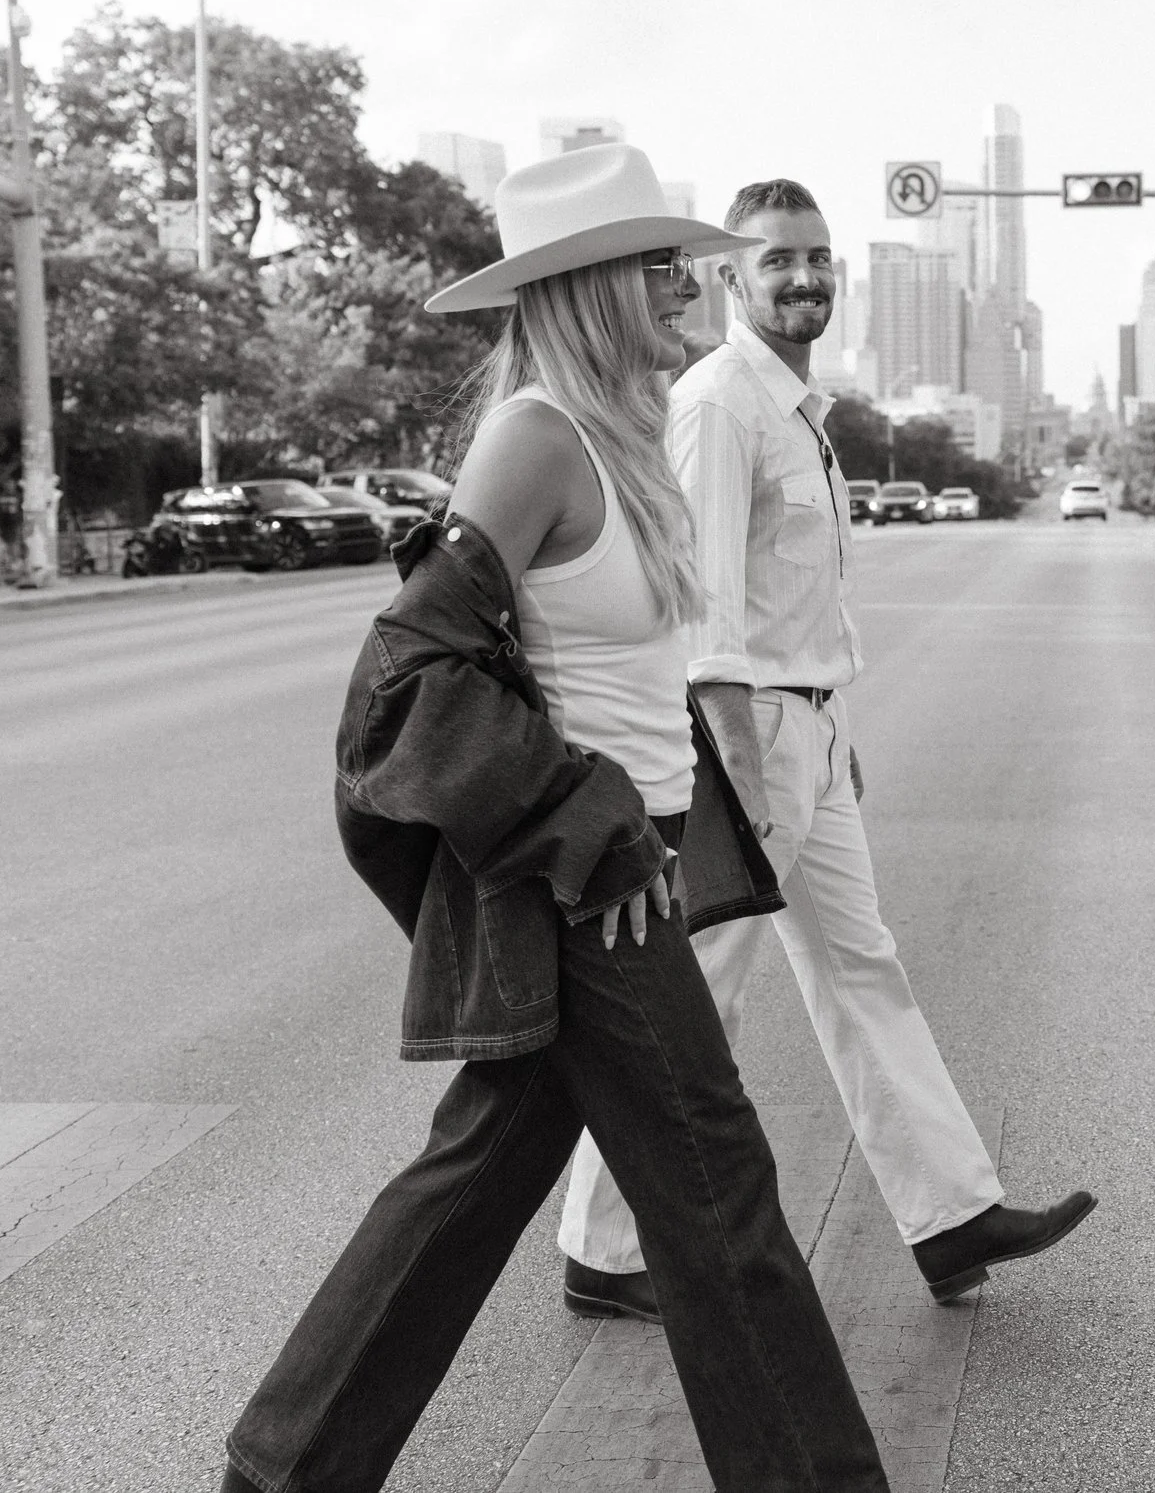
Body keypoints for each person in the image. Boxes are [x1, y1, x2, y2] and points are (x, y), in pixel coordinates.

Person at [218, 146, 887, 1493]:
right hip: (590, 884)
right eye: (655, 261)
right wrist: (581, 812)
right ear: (586, 285)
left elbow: (637, 671)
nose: (686, 280)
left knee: (475, 1176)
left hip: (629, 857)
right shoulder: (537, 436)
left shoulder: (633, 432)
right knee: (720, 1190)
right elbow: (412, 671)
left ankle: (286, 1465)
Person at [556, 178, 1095, 1324]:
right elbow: (706, 608)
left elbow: (795, 589)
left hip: (808, 727)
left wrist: (829, 730)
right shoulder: (719, 403)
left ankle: (952, 1213)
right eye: (777, 260)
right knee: (704, 994)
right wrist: (748, 766)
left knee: (863, 968)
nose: (804, 277)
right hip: (745, 741)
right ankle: (604, 1247)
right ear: (730, 278)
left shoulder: (797, 404)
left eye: (818, 257)